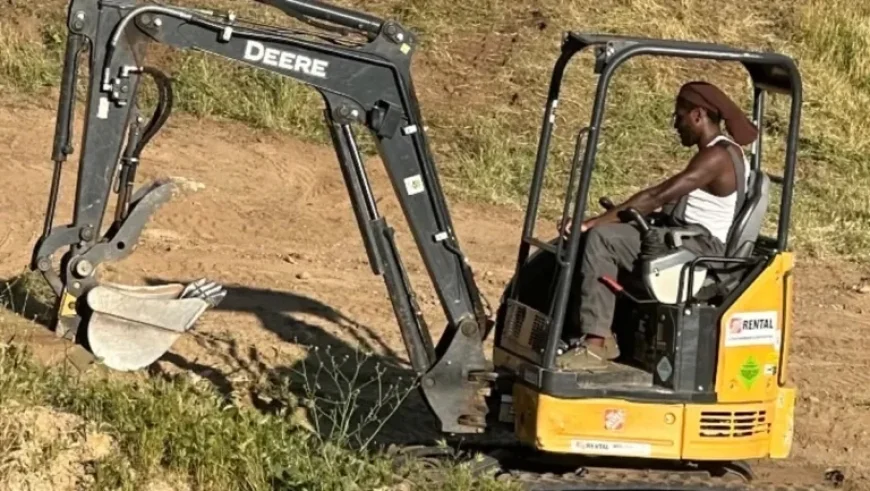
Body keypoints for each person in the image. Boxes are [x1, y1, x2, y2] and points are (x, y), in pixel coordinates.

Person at [556, 80, 758, 371]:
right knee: (614, 232)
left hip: (698, 249)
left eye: (679, 116)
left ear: (698, 115)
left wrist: (589, 224)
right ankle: (605, 332)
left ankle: (595, 345)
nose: (676, 125)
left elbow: (657, 195)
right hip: (684, 239)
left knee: (602, 239)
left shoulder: (717, 156)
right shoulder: (721, 152)